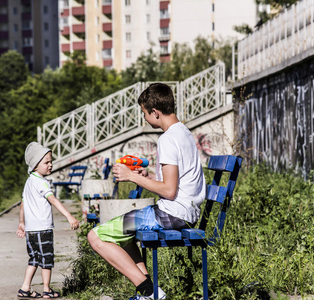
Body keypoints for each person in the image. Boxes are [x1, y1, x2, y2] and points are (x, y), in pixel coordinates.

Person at [87, 83, 206, 299]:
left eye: (144, 113)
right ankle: (146, 292)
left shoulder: (168, 139)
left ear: (155, 112)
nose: (144, 118)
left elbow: (169, 191)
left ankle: (149, 291)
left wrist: (130, 176)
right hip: (185, 213)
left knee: (95, 236)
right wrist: (147, 177)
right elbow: (176, 184)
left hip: (171, 214)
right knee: (123, 235)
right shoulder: (184, 133)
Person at [16, 142, 80, 299]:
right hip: (43, 229)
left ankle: (25, 288)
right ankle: (46, 290)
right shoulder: (42, 182)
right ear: (35, 165)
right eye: (46, 162)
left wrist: (21, 223)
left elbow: (23, 204)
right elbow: (54, 200)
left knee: (34, 259)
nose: (50, 165)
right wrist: (69, 216)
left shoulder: (29, 181)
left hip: (31, 230)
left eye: (51, 161)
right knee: (47, 259)